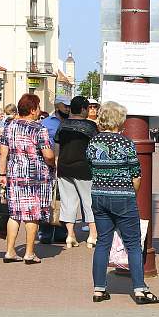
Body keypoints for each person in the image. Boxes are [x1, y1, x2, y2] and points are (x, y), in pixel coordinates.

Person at [87, 101, 159, 305]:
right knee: (133, 245)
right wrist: (130, 193)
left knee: (102, 242)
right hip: (123, 197)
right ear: (120, 121)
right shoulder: (126, 144)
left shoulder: (93, 142)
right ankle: (139, 289)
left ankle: (99, 289)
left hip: (99, 196)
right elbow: (136, 175)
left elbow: (91, 166)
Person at [0, 93, 56, 264]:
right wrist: (53, 163)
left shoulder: (9, 126)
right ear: (32, 110)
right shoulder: (39, 129)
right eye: (37, 107)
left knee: (14, 213)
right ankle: (29, 253)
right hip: (35, 176)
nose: (39, 111)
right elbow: (48, 154)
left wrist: (2, 174)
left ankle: (10, 251)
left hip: (14, 174)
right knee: (32, 214)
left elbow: (3, 153)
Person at [54, 96, 99, 249]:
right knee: (89, 201)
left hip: (64, 167)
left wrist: (57, 163)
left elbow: (57, 146)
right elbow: (95, 147)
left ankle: (70, 235)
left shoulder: (63, 125)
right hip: (83, 168)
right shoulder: (90, 126)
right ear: (83, 109)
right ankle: (93, 235)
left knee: (68, 201)